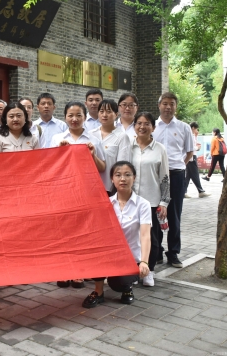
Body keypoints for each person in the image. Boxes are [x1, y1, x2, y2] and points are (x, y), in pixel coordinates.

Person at [50, 101, 105, 289]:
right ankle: (64, 271)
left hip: (85, 192)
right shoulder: (57, 138)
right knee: (64, 232)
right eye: (70, 115)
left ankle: (80, 271)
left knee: (82, 232)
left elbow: (102, 168)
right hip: (63, 193)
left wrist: (92, 154)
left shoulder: (94, 140)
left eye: (78, 115)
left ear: (85, 117)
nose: (74, 119)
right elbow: (49, 166)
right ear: (65, 117)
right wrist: (60, 152)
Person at [82, 161, 151, 308]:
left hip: (130, 258)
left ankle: (127, 287)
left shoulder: (143, 204)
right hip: (110, 254)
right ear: (112, 179)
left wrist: (144, 261)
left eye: (127, 175)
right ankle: (98, 292)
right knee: (91, 257)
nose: (123, 179)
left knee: (118, 283)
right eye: (118, 175)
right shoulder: (106, 203)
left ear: (134, 178)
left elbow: (145, 235)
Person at [153, 92, 194, 268]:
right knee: (155, 212)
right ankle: (157, 251)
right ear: (159, 105)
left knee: (174, 214)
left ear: (176, 106)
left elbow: (190, 152)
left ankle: (173, 253)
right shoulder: (152, 126)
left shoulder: (184, 127)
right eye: (165, 103)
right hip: (155, 175)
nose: (168, 107)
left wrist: (179, 166)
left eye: (172, 104)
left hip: (176, 175)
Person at [130, 112, 171, 286]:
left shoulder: (160, 149)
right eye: (139, 123)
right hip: (130, 200)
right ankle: (133, 270)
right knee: (131, 237)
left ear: (153, 127)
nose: (142, 127)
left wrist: (164, 202)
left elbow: (165, 177)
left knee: (152, 238)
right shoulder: (128, 146)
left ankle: (149, 270)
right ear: (134, 126)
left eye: (147, 123)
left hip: (151, 201)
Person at [90, 99, 130, 195]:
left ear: (116, 114)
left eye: (109, 112)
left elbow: (122, 165)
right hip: (91, 186)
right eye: (101, 111)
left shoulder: (122, 136)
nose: (104, 115)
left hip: (110, 188)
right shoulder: (90, 134)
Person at [185, 122, 210, 197]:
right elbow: (190, 147)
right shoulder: (189, 135)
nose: (197, 130)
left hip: (191, 156)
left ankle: (184, 191)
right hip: (192, 156)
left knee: (188, 175)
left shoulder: (191, 135)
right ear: (193, 128)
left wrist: (196, 136)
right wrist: (197, 148)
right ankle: (200, 191)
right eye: (196, 129)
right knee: (195, 173)